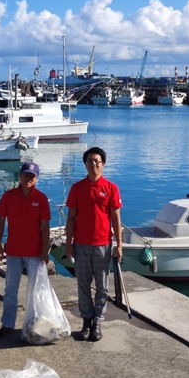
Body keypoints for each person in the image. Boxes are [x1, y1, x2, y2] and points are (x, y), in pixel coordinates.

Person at [64, 146, 122, 342]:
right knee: (82, 285)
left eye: (97, 161)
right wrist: (68, 243)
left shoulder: (111, 188)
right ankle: (86, 322)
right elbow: (71, 217)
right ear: (85, 164)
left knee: (102, 286)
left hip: (102, 245)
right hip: (81, 244)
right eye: (90, 161)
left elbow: (115, 218)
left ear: (103, 164)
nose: (93, 164)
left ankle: (98, 321)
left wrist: (119, 244)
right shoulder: (77, 188)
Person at [0, 161, 51, 338]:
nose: (28, 178)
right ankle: (7, 323)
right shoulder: (8, 196)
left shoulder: (41, 198)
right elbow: (1, 221)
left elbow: (45, 226)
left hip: (34, 252)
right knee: (11, 289)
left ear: (37, 179)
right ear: (20, 175)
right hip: (13, 251)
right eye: (26, 175)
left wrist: (44, 250)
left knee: (35, 290)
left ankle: (34, 323)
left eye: (32, 176)